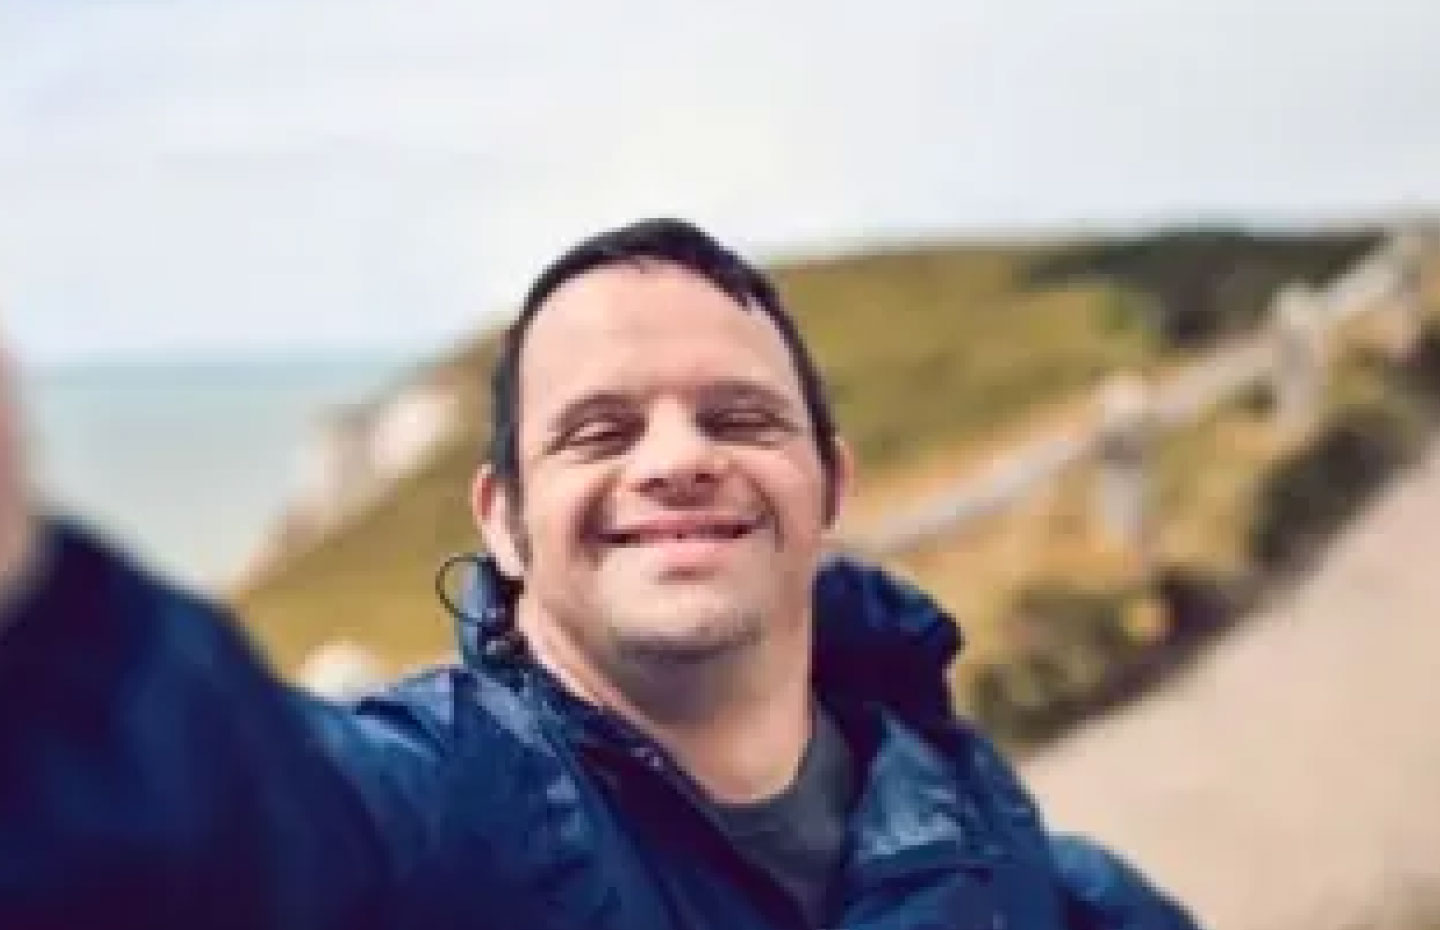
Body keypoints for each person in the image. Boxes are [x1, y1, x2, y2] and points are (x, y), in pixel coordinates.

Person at [0, 218, 1199, 929]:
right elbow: (223, 824)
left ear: (831, 485)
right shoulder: (457, 807)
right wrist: (40, 634)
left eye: (738, 416)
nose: (679, 460)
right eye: (600, 433)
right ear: (505, 528)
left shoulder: (956, 802)